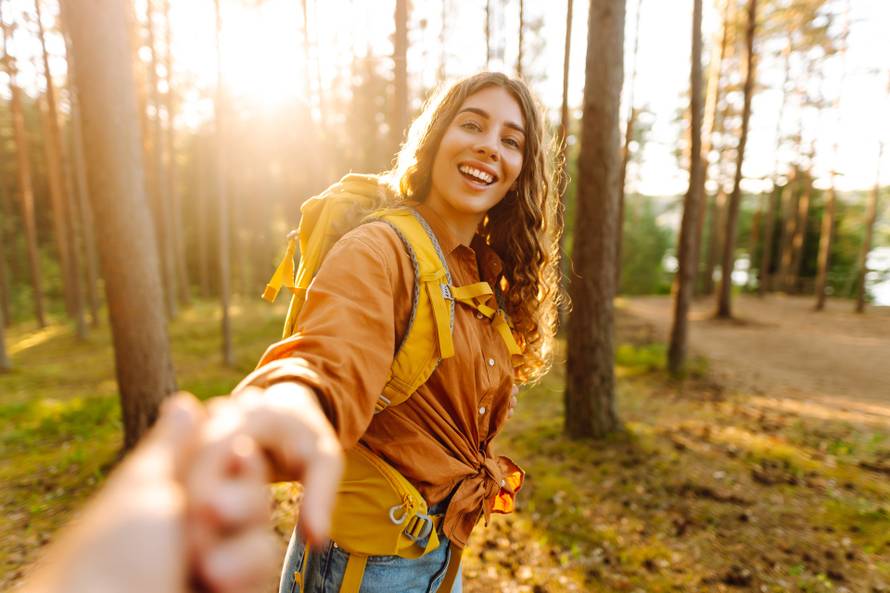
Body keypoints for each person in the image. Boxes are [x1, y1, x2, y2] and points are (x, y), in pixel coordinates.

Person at [190, 71, 562, 593]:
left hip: (440, 558)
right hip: (364, 571)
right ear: (435, 140)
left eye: (510, 140)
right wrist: (288, 408)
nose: (488, 147)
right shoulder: (378, 250)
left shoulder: (479, 268)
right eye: (472, 125)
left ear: (522, 169)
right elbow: (327, 362)